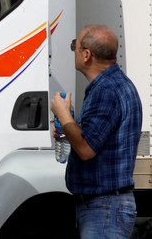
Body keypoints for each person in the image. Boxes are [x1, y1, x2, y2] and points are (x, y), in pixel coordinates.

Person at [51, 25, 142, 239]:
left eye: (75, 45)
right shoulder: (115, 85)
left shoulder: (106, 91)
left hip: (104, 208)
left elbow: (86, 149)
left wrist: (64, 115)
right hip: (107, 207)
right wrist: (68, 127)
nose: (73, 50)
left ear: (86, 54)